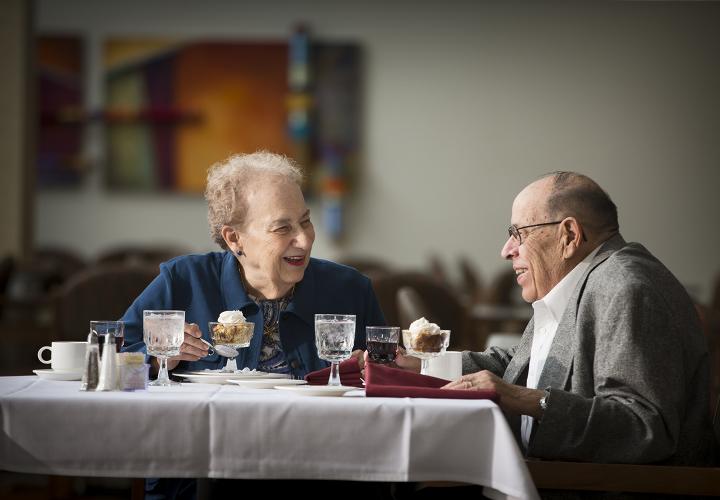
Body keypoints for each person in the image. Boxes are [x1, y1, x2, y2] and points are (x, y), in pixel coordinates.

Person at [398, 171, 714, 466]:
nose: (506, 250)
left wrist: (521, 398)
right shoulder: (579, 280)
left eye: (517, 233)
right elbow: (525, 365)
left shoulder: (626, 289)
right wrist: (424, 365)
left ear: (569, 235)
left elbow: (644, 428)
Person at [120, 151, 385, 499]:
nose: (304, 240)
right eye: (282, 228)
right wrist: (157, 358)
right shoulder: (183, 281)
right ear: (234, 239)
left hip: (326, 474)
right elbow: (112, 359)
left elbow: (388, 381)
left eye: (305, 221)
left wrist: (372, 370)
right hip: (210, 476)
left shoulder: (350, 290)